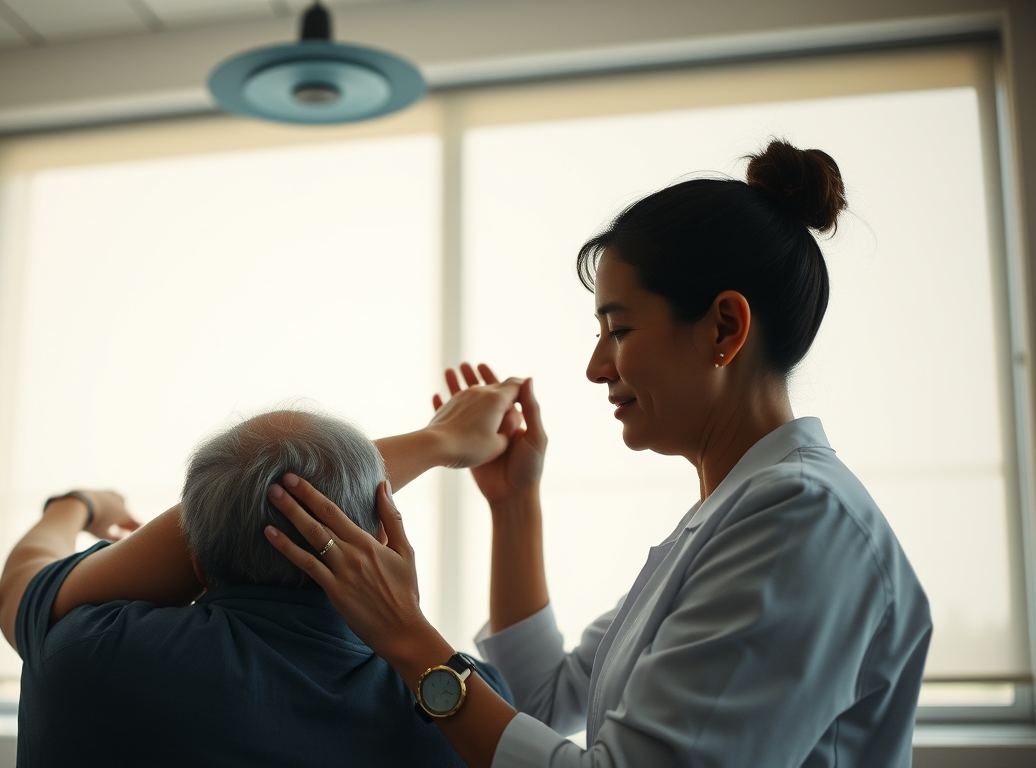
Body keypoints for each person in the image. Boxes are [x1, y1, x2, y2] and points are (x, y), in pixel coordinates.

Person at [260, 140, 933, 767]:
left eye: (620, 330)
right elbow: (542, 701)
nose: (595, 367)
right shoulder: (736, 519)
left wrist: (407, 636)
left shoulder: (800, 521)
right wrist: (514, 506)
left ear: (724, 327)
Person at [0, 408, 516, 767]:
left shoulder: (85, 657)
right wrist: (489, 480)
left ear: (193, 562)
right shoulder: (470, 710)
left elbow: (18, 587)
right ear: (381, 540)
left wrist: (76, 505)